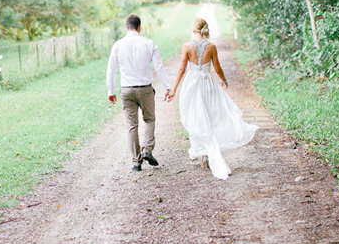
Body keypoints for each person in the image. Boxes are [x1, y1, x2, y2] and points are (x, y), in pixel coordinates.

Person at [166, 17, 258, 179]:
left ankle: (203, 153)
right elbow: (217, 68)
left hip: (192, 85)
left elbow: (181, 69)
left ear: (194, 30)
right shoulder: (212, 47)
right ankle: (208, 153)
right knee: (211, 116)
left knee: (196, 117)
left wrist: (174, 89)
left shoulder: (187, 47)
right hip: (208, 84)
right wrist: (224, 80)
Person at [106, 14, 172, 171]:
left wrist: (111, 90)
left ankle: (136, 162)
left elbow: (111, 70)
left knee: (132, 126)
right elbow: (159, 67)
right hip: (145, 89)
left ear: (126, 27)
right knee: (149, 119)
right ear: (139, 27)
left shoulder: (118, 45)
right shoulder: (149, 44)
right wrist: (167, 87)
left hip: (127, 90)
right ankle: (147, 150)